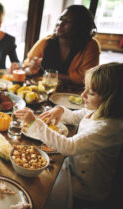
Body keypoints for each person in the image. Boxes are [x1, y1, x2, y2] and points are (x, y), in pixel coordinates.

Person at [15, 63, 123, 208]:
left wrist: (35, 123)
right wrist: (61, 110)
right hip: (72, 171)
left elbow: (68, 147)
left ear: (112, 100)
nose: (82, 95)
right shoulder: (97, 110)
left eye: (91, 93)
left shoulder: (108, 128)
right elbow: (75, 116)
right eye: (85, 89)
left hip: (85, 191)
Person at [22, 5, 100, 85]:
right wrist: (30, 70)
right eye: (61, 19)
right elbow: (25, 68)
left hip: (73, 94)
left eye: (68, 21)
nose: (61, 23)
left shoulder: (90, 46)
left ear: (80, 26)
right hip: (42, 91)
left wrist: (52, 76)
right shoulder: (46, 42)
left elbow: (88, 77)